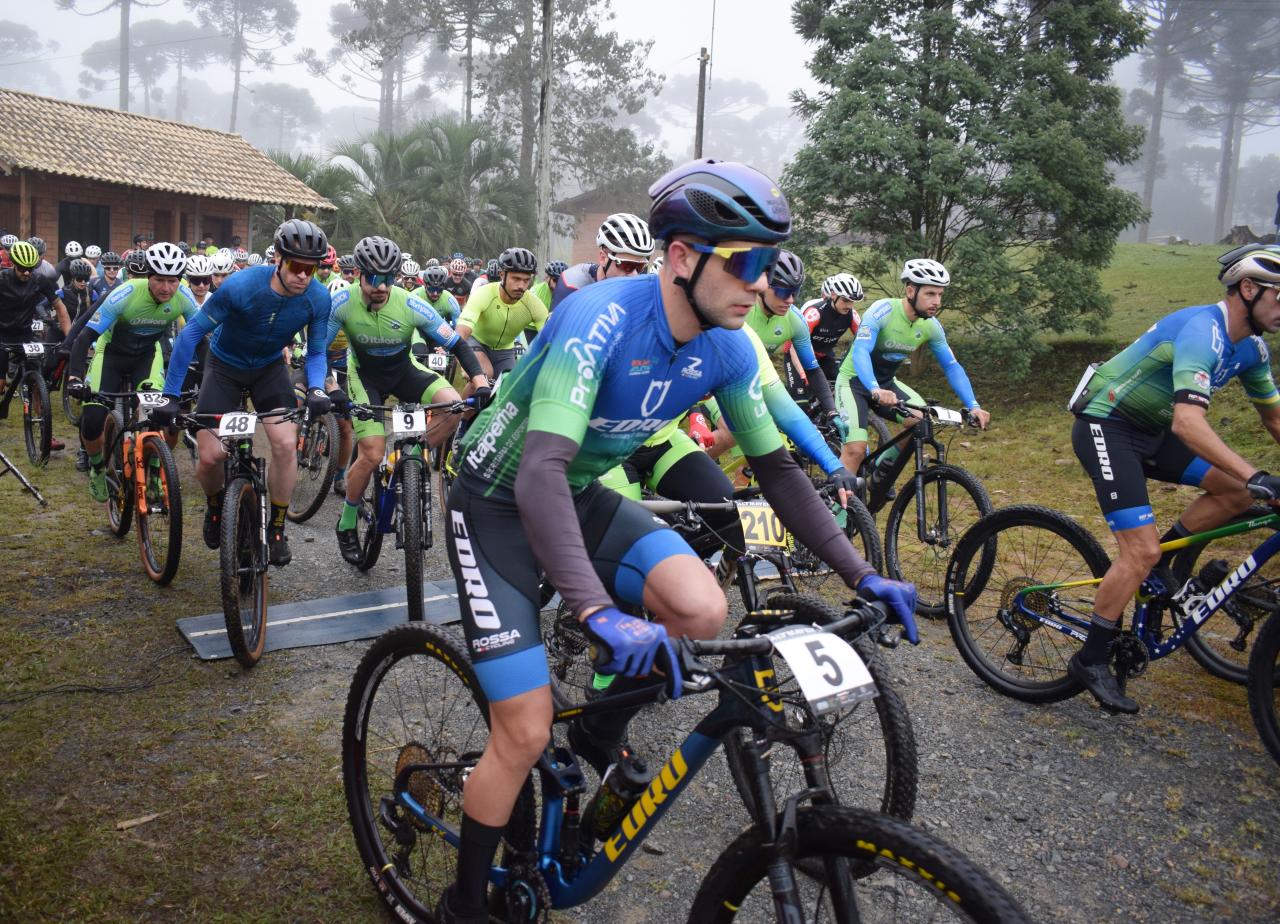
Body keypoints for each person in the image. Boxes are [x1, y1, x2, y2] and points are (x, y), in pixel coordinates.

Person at [434, 158, 915, 924]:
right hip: (495, 502)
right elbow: (539, 471)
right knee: (522, 732)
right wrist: (596, 612)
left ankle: (599, 729)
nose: (762, 284)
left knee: (701, 609)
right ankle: (463, 905)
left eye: (771, 264)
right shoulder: (599, 318)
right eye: (746, 262)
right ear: (683, 256)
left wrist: (862, 574)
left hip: (577, 495)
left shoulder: (729, 347)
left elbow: (776, 473)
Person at [1067, 243, 1280, 714]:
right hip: (1107, 424)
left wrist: (1250, 479)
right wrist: (1258, 474)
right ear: (1248, 289)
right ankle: (1091, 657)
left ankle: (1162, 564)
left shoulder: (1252, 349)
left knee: (1235, 492)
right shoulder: (1204, 331)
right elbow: (1188, 423)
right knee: (1139, 550)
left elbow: (1274, 417)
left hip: (1153, 430)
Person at [151, 219, 335, 568]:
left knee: (285, 444)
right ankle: (215, 506)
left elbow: (316, 352)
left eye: (311, 269)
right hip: (225, 367)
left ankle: (277, 526)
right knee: (211, 457)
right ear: (278, 258)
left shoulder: (318, 298)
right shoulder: (241, 286)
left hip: (269, 369)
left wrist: (315, 388)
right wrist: (171, 395)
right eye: (296, 266)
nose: (303, 276)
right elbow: (191, 334)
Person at [326, 235, 489, 564]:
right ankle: (346, 523)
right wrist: (330, 388)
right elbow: (318, 352)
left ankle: (408, 457)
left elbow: (457, 344)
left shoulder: (410, 303)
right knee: (371, 454)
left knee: (451, 405)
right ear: (359, 274)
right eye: (374, 278)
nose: (381, 287)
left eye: (388, 278)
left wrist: (480, 382)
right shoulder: (341, 302)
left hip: (403, 370)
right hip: (365, 377)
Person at [65, 243, 196, 503]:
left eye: (172, 281)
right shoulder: (126, 293)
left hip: (146, 357)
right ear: (148, 276)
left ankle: (156, 469)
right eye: (159, 280)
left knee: (160, 415)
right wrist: (75, 378)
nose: (166, 288)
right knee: (92, 420)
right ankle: (97, 467)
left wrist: (207, 373)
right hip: (110, 356)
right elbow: (84, 337)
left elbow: (201, 339)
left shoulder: (184, 296)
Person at [835, 259, 990, 475]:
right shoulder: (883, 311)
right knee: (855, 450)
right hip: (854, 383)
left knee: (921, 422)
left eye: (940, 294)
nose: (937, 301)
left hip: (887, 384)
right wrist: (874, 388)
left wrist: (973, 405)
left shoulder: (931, 326)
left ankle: (881, 470)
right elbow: (861, 351)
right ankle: (837, 497)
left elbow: (952, 366)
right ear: (910, 291)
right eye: (930, 294)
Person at [742, 250, 840, 424]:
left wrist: (832, 411)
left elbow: (813, 370)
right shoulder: (741, 310)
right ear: (762, 286)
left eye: (795, 292)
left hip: (758, 379)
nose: (790, 300)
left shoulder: (795, 320)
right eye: (782, 292)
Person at [0, 241, 73, 451]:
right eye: (22, 268)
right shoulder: (2, 279)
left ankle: (45, 432)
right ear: (13, 264)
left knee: (37, 382)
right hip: (2, 334)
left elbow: (60, 309)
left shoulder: (40, 280)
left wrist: (69, 339)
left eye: (30, 269)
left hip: (25, 334)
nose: (26, 273)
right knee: (0, 383)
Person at [452, 247, 548, 391]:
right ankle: (461, 407)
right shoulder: (484, 293)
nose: (521, 286)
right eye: (516, 279)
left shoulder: (533, 304)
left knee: (510, 389)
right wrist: (463, 360)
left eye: (526, 280)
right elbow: (462, 331)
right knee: (483, 375)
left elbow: (551, 340)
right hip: (476, 341)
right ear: (502, 274)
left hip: (505, 350)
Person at [787, 272, 864, 406]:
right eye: (845, 300)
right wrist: (802, 372)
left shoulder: (852, 315)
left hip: (824, 356)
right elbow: (793, 344)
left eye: (852, 301)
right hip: (797, 355)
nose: (849, 306)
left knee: (842, 388)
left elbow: (864, 341)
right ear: (833, 295)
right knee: (801, 401)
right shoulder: (815, 313)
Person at [551, 212, 654, 309]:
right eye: (627, 265)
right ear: (603, 258)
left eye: (640, 266)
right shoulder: (574, 284)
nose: (634, 275)